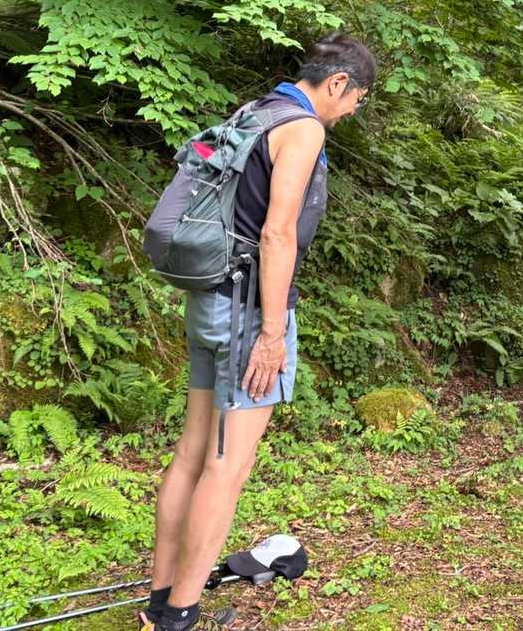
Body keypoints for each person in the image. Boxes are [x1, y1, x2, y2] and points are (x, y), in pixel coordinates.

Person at [142, 34, 375, 631]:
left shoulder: (255, 112)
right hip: (248, 312)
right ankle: (179, 616)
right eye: (359, 98)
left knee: (192, 453)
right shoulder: (302, 128)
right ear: (339, 82)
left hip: (209, 301)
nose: (354, 110)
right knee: (228, 465)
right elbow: (276, 234)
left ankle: (161, 598)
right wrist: (272, 334)